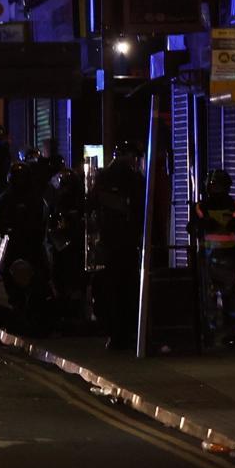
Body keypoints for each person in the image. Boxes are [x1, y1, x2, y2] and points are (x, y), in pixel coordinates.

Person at [188, 169, 235, 347]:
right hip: (226, 259)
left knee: (213, 297)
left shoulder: (201, 207)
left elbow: (192, 229)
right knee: (228, 296)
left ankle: (212, 334)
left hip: (212, 259)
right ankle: (229, 334)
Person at [90, 142, 145, 349]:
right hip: (126, 243)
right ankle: (126, 332)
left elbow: (91, 205)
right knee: (127, 288)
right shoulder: (134, 179)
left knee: (114, 287)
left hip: (111, 242)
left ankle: (116, 334)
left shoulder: (104, 177)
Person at [0, 159, 53, 335]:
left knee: (38, 285)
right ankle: (20, 318)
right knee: (15, 290)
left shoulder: (36, 200)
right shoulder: (4, 200)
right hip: (13, 249)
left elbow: (43, 223)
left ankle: (35, 319)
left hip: (31, 249)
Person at [47, 167, 90, 330]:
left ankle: (74, 312)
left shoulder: (78, 204)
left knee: (74, 281)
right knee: (63, 279)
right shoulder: (58, 202)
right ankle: (67, 311)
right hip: (64, 248)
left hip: (74, 248)